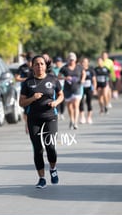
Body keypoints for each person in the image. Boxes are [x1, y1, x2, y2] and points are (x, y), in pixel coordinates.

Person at [19, 55, 64, 189]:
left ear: (45, 66)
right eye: (36, 64)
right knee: (38, 149)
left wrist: (56, 102)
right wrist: (32, 98)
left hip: (51, 117)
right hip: (34, 118)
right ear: (32, 66)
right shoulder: (27, 83)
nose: (39, 66)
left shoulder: (53, 79)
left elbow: (61, 95)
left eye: (42, 64)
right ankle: (42, 178)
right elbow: (21, 102)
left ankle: (53, 168)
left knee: (50, 146)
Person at [58, 52, 85, 129]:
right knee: (69, 106)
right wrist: (65, 78)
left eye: (73, 60)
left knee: (76, 105)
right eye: (70, 60)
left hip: (77, 88)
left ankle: (75, 123)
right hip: (67, 89)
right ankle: (72, 120)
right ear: (68, 60)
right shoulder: (64, 68)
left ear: (75, 60)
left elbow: (84, 73)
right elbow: (58, 76)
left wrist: (82, 80)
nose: (71, 61)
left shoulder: (79, 67)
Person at [14, 53, 33, 134]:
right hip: (25, 91)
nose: (30, 63)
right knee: (25, 109)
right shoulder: (22, 67)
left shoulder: (36, 67)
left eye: (31, 61)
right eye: (28, 61)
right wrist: (25, 79)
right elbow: (16, 78)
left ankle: (33, 124)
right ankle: (27, 124)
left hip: (34, 90)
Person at [79, 57, 97, 124]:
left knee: (89, 102)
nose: (84, 63)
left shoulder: (91, 70)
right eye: (83, 62)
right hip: (81, 88)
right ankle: (82, 117)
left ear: (88, 63)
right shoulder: (79, 70)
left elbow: (94, 80)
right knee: (81, 102)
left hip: (89, 88)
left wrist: (94, 89)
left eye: (86, 62)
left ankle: (89, 117)